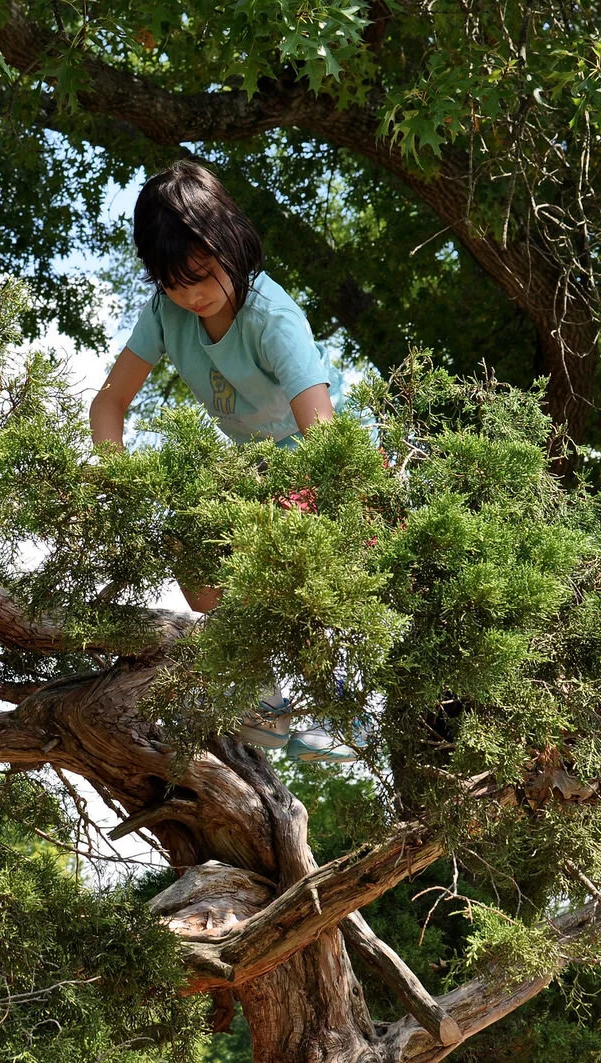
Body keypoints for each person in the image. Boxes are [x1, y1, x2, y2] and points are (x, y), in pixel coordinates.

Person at [88, 159, 358, 764]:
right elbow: (109, 402)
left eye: (202, 275)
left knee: (293, 560)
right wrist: (118, 478)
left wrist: (307, 509)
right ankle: (265, 701)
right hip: (256, 466)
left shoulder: (272, 318)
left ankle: (336, 704)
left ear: (232, 243)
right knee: (197, 562)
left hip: (333, 454)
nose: (191, 294)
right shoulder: (166, 315)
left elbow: (323, 431)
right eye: (173, 283)